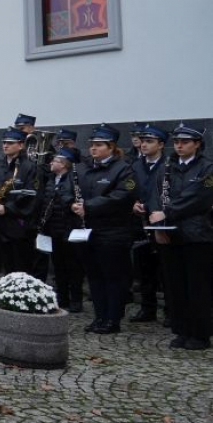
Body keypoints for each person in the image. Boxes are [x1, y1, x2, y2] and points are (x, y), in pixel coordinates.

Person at [148, 123, 213, 350]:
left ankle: (200, 334)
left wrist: (167, 212)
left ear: (197, 144)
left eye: (185, 142)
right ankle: (182, 330)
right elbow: (156, 196)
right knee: (175, 286)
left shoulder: (207, 168)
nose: (179, 146)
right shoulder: (168, 166)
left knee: (197, 287)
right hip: (170, 234)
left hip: (197, 235)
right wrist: (159, 224)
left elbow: (198, 198)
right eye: (176, 142)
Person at [74, 124, 136, 335]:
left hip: (112, 232)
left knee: (113, 277)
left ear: (111, 147)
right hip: (87, 231)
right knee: (94, 276)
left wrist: (88, 207)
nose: (93, 149)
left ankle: (113, 318)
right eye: (91, 145)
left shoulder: (123, 168)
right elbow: (69, 189)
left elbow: (121, 196)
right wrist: (71, 204)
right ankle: (99, 316)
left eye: (99, 145)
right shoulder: (83, 167)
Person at [0, 129, 39, 277]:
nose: (5, 146)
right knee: (1, 266)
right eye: (4, 142)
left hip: (17, 227)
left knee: (20, 267)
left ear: (21, 145)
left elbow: (32, 195)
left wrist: (8, 208)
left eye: (10, 143)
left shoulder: (29, 167)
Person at [36, 147, 85, 313]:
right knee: (58, 267)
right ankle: (62, 298)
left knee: (73, 267)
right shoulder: (51, 179)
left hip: (69, 228)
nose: (51, 163)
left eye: (55, 161)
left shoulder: (72, 179)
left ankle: (76, 300)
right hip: (53, 229)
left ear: (64, 165)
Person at [129, 125, 167, 323]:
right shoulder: (136, 165)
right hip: (140, 221)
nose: (144, 145)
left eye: (149, 141)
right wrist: (134, 203)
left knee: (165, 268)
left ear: (161, 145)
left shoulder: (168, 165)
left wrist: (154, 208)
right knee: (144, 269)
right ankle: (147, 308)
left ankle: (170, 310)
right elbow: (130, 188)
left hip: (161, 220)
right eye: (142, 141)